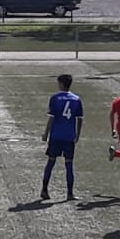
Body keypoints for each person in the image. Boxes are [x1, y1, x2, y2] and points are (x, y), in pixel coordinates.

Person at [40, 73, 83, 201]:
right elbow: (79, 119)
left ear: (61, 84)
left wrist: (46, 133)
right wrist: (77, 135)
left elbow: (51, 118)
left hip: (56, 136)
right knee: (69, 164)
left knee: (51, 162)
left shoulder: (55, 98)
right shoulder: (76, 99)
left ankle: (44, 190)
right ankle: (70, 193)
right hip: (69, 136)